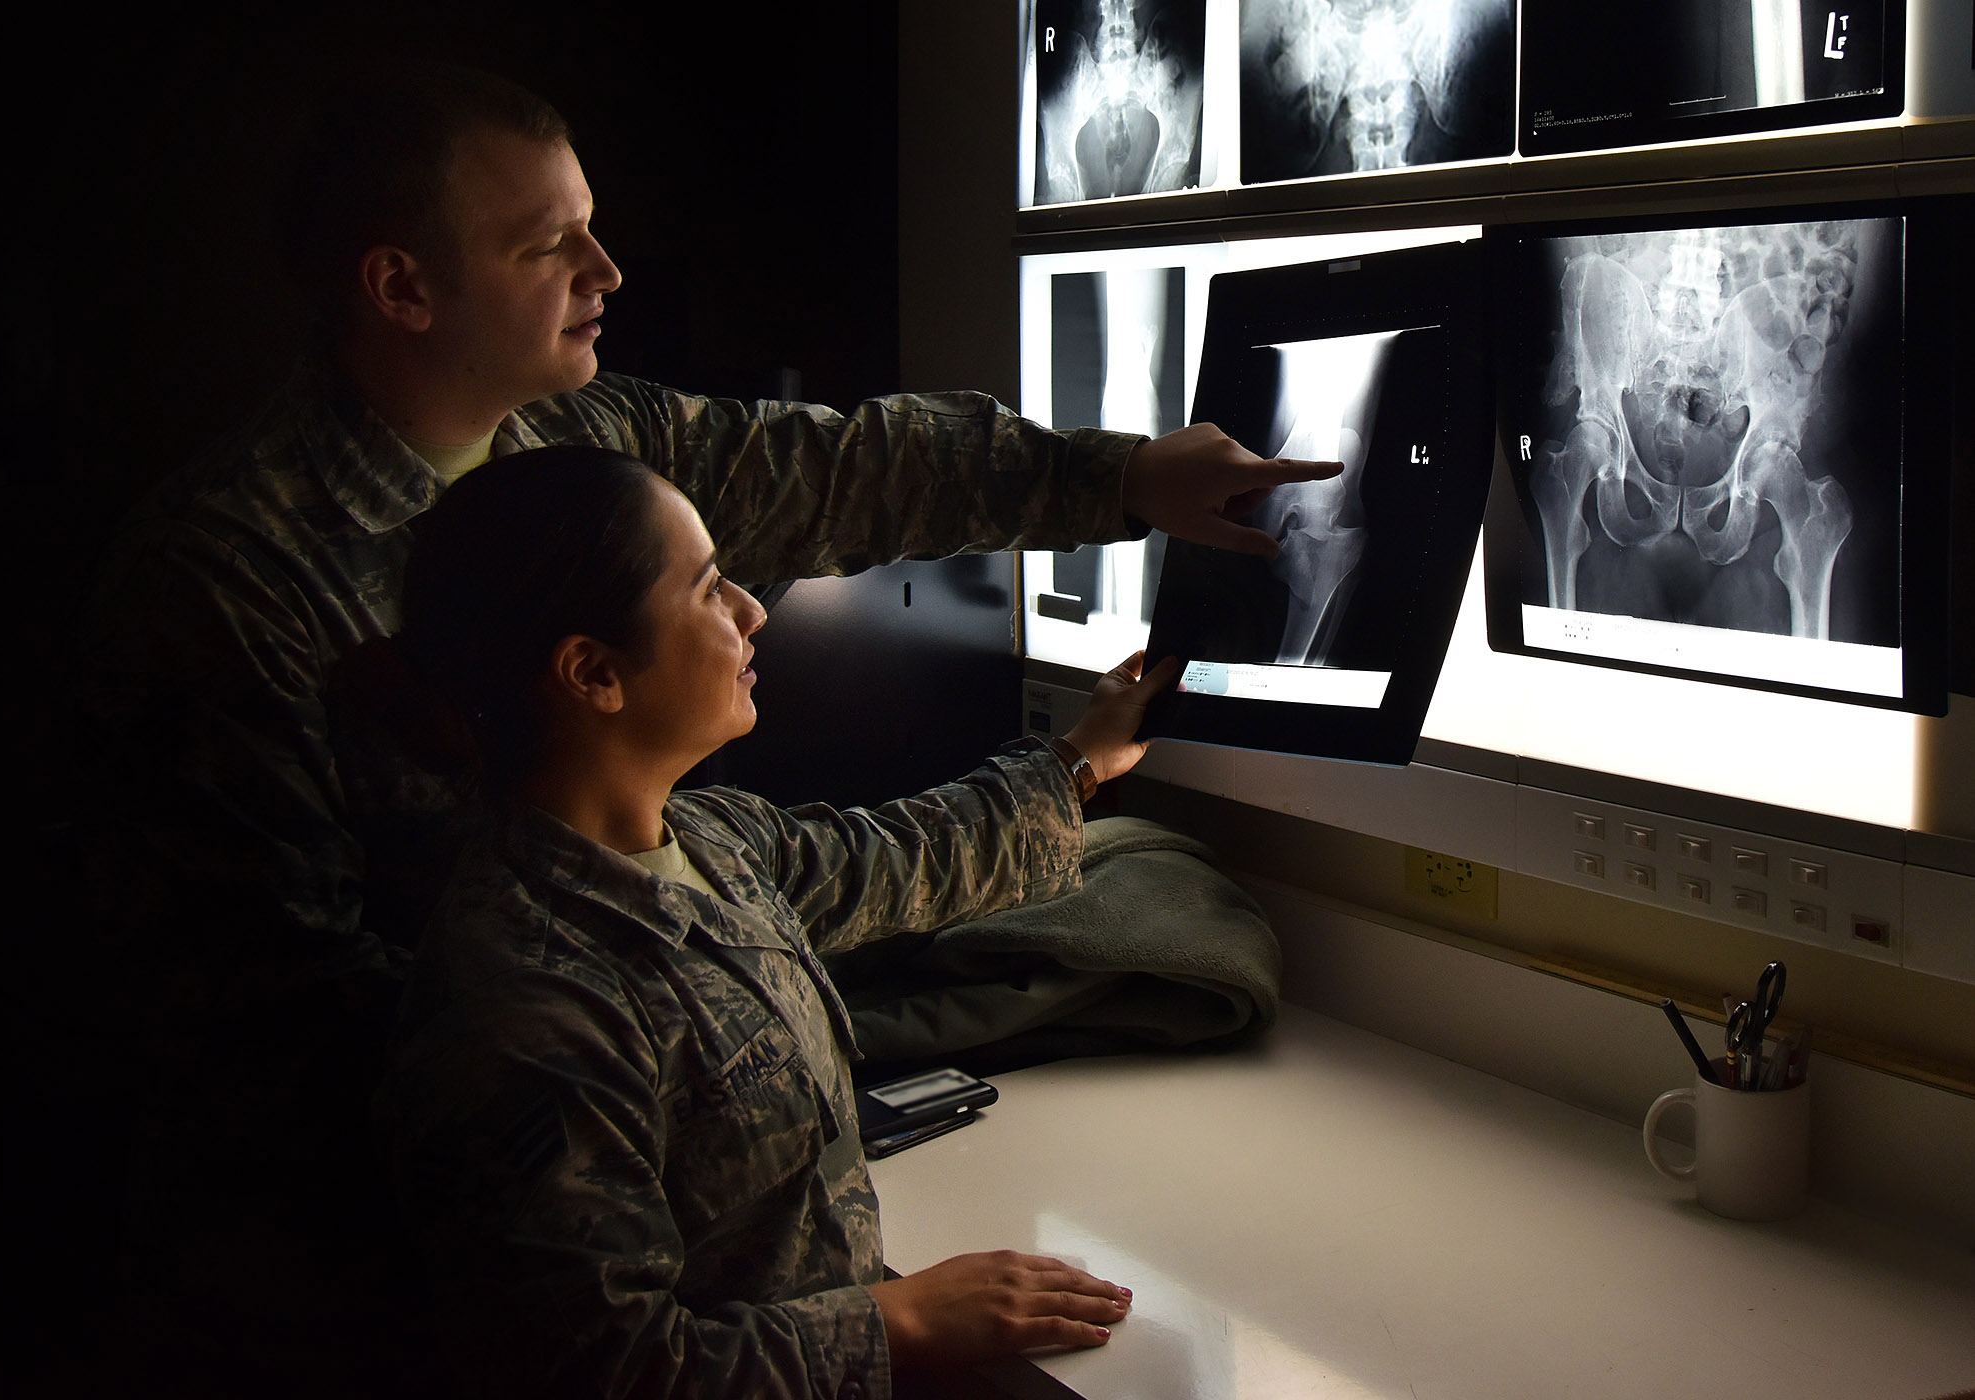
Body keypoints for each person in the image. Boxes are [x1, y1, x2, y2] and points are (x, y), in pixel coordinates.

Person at [75, 60, 1334, 1383]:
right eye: (550, 244)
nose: (607, 269)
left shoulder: (591, 466)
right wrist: (701, 1123)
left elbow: (846, 474)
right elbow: (289, 1038)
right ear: (402, 288)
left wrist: (1122, 482)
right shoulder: (224, 584)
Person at [382, 444, 1168, 1398]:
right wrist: (900, 1322)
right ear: (593, 674)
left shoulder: (711, 841)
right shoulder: (529, 1007)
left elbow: (899, 857)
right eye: (711, 590)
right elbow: (617, 1371)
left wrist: (1082, 756)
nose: (753, 610)